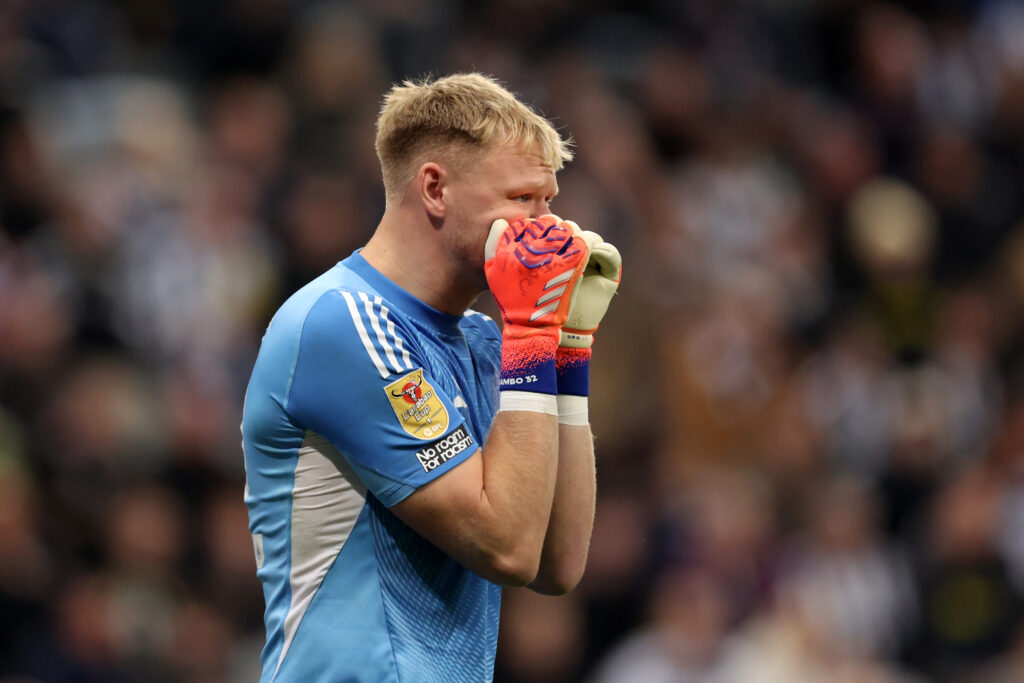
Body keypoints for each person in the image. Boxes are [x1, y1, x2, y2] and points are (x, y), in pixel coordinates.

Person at [241, 72, 622, 682]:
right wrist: (530, 330)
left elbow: (558, 560)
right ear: (436, 189)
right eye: (523, 200)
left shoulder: (480, 340)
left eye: (550, 202)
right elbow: (508, 547)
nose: (551, 231)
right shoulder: (343, 323)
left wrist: (567, 346)